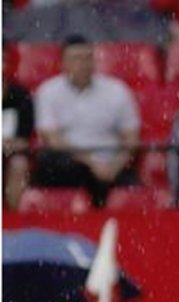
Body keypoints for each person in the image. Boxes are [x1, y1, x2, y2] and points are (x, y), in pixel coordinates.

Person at [32, 34, 140, 207]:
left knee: (132, 189)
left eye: (88, 57)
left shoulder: (117, 90)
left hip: (111, 164)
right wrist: (91, 163)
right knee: (53, 162)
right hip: (69, 164)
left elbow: (131, 139)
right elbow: (53, 139)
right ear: (63, 63)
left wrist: (115, 166)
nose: (83, 64)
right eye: (76, 59)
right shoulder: (48, 91)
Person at [3, 42, 35, 211]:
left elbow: (25, 139)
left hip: (12, 153)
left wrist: (10, 145)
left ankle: (11, 219)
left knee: (19, 164)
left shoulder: (21, 95)